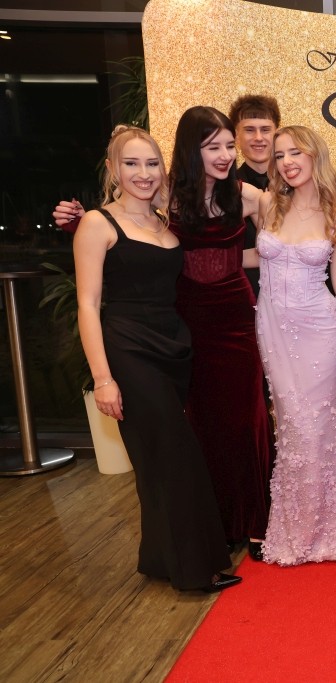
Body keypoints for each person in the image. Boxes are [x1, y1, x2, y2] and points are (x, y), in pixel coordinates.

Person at [73, 125, 239, 592]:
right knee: (174, 455)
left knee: (157, 461)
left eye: (151, 164)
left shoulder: (165, 221)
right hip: (129, 350)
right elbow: (87, 303)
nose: (143, 173)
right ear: (113, 169)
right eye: (131, 164)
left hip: (173, 348)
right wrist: (102, 378)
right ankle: (195, 570)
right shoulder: (97, 223)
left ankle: (160, 558)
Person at [246, 125, 336, 565]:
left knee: (317, 429)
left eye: (295, 152)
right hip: (273, 329)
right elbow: (189, 194)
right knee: (291, 427)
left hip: (321, 332)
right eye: (279, 155)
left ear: (315, 155)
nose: (287, 162)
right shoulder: (266, 203)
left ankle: (324, 531)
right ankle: (293, 528)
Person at [167, 105, 274, 560]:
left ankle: (257, 519)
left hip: (236, 318)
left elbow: (278, 246)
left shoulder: (247, 195)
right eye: (215, 147)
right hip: (188, 322)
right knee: (205, 421)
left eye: (230, 145)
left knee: (248, 418)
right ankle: (220, 521)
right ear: (191, 150)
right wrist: (77, 221)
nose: (227, 155)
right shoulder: (165, 197)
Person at [228, 94, 281, 297]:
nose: (258, 137)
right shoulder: (223, 189)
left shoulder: (299, 185)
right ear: (235, 135)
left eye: (265, 130)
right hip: (241, 294)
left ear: (276, 133)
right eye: (249, 130)